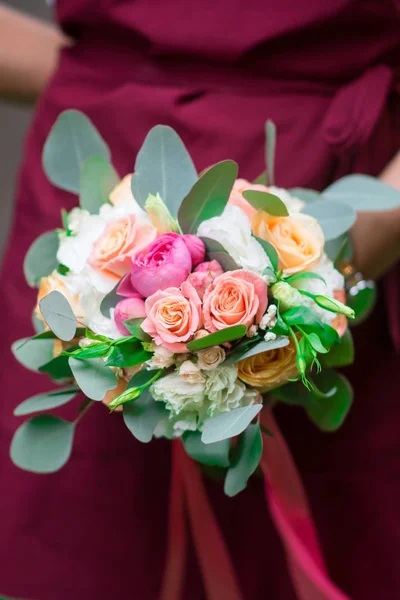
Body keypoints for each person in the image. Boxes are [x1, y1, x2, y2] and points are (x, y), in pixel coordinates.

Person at [0, 2, 400, 599]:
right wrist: (91, 76)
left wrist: (330, 265)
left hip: (352, 202)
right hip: (96, 209)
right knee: (84, 551)